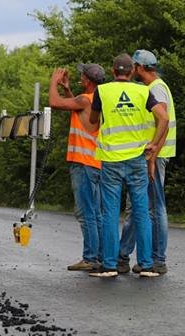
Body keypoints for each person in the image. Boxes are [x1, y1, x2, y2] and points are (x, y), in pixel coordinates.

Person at [85, 54, 167, 278]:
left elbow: (93, 121)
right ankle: (147, 265)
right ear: (131, 72)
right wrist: (153, 144)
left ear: (113, 72)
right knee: (141, 211)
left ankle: (110, 265)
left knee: (110, 212)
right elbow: (164, 118)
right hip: (137, 160)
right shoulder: (143, 91)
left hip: (111, 160)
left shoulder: (102, 91)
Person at [118, 49, 175, 275]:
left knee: (153, 207)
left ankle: (157, 259)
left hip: (156, 155)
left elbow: (164, 121)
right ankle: (125, 255)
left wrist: (152, 156)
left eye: (135, 66)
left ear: (140, 68)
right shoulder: (154, 88)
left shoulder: (156, 89)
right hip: (154, 155)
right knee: (143, 207)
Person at [49, 64, 105, 272]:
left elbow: (54, 103)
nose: (80, 78)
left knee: (86, 212)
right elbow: (79, 111)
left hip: (83, 163)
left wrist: (53, 82)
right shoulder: (95, 100)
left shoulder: (85, 100)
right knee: (96, 213)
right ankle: (98, 256)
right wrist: (67, 89)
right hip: (96, 163)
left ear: (88, 80)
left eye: (82, 76)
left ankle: (90, 257)